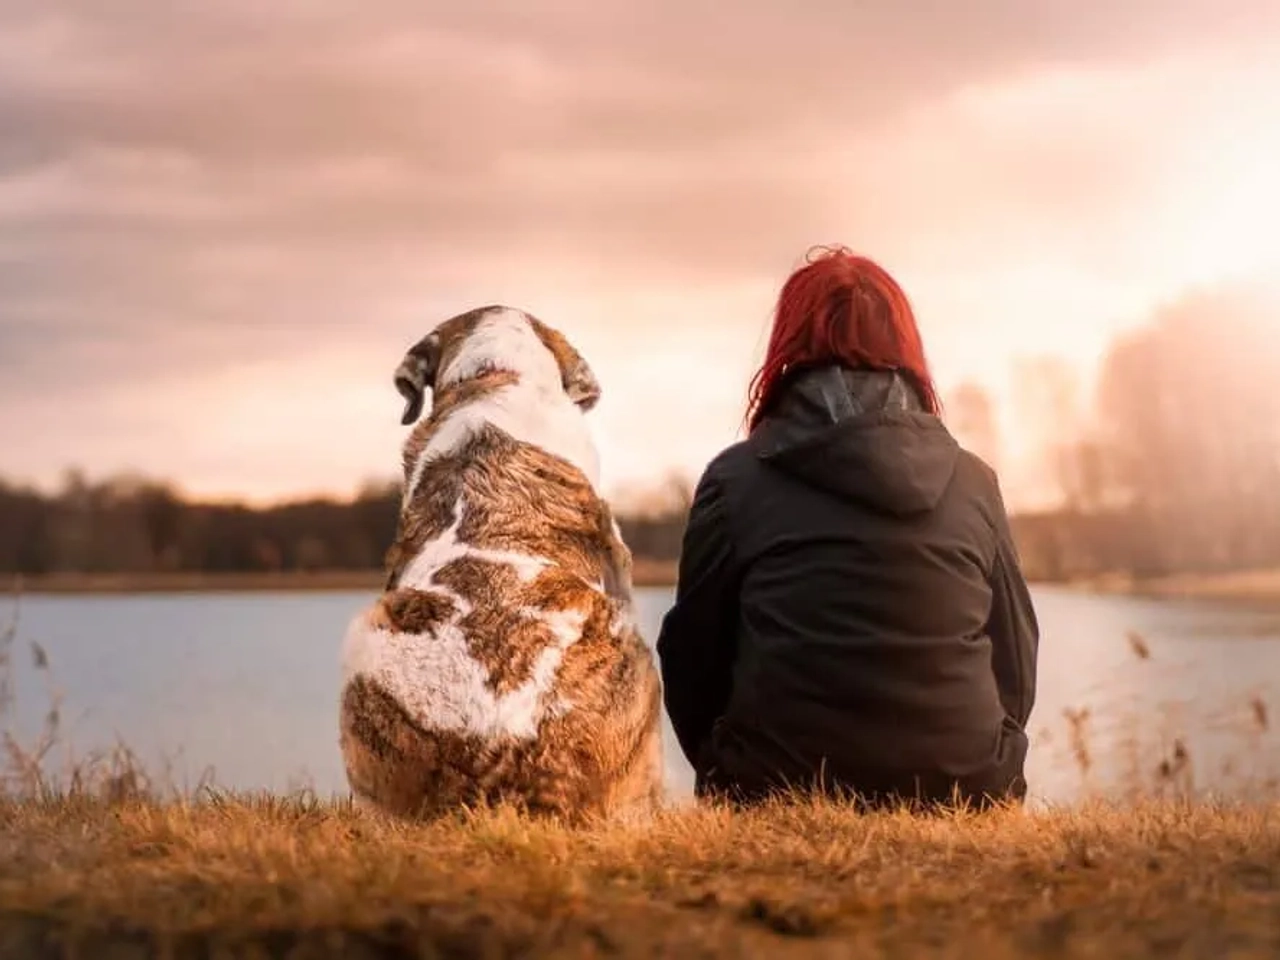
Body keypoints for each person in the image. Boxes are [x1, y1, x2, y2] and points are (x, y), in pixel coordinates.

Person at [655, 245, 1039, 810]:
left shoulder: (734, 481)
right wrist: (988, 758)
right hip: (966, 788)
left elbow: (692, 659)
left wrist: (724, 766)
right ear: (906, 348)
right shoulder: (973, 482)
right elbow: (1016, 655)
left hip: (774, 787)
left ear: (788, 346)